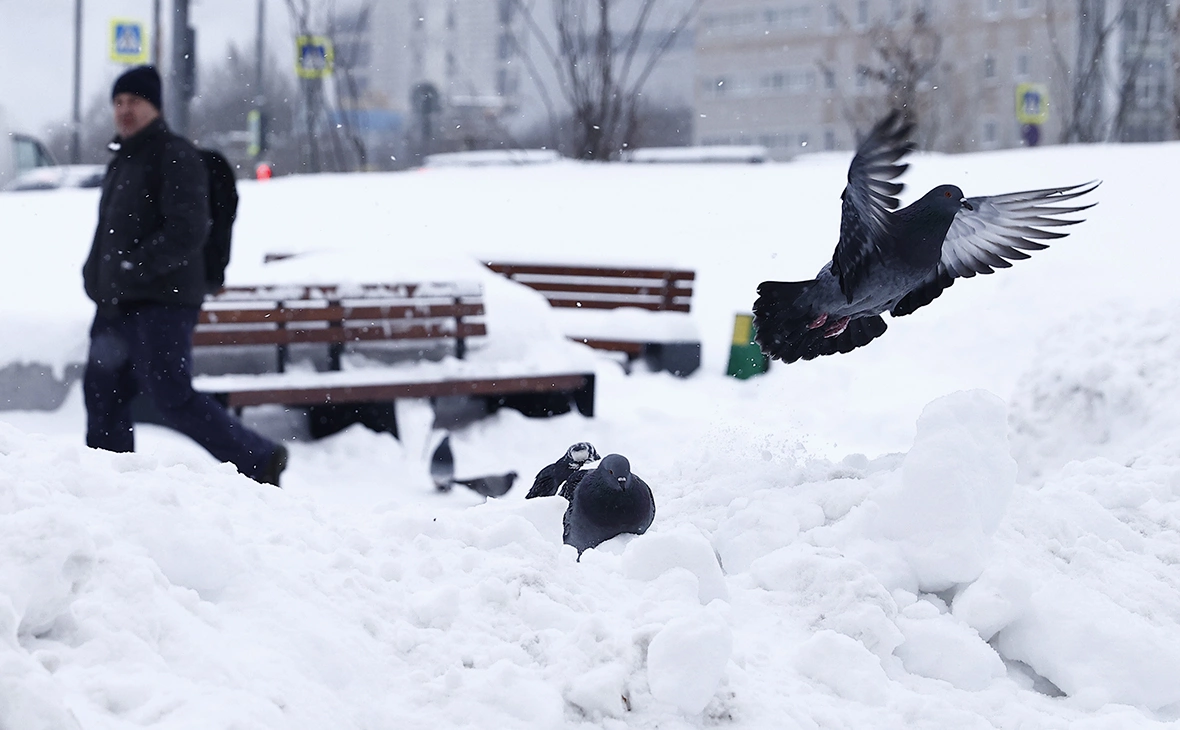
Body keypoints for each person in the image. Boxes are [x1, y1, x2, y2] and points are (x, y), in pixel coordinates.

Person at [81, 66, 288, 486]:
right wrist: (95, 272)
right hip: (120, 301)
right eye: (119, 102)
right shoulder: (123, 158)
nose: (124, 110)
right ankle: (107, 482)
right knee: (103, 393)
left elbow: (188, 230)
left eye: (134, 102)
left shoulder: (174, 155)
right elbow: (110, 229)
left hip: (164, 302)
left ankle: (259, 458)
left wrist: (133, 267)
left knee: (171, 397)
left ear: (153, 106)